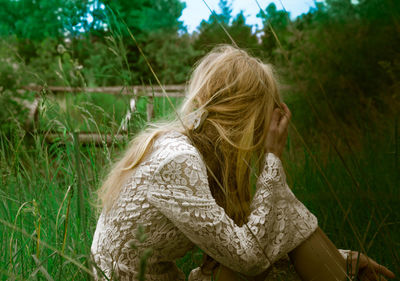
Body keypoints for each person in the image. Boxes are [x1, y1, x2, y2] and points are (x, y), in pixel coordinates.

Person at [90, 45, 395, 281]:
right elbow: (249, 257)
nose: (263, 139)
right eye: (262, 125)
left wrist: (342, 258)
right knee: (275, 205)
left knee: (279, 205)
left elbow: (251, 238)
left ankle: (341, 272)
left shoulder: (196, 153)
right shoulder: (177, 160)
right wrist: (274, 159)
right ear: (244, 121)